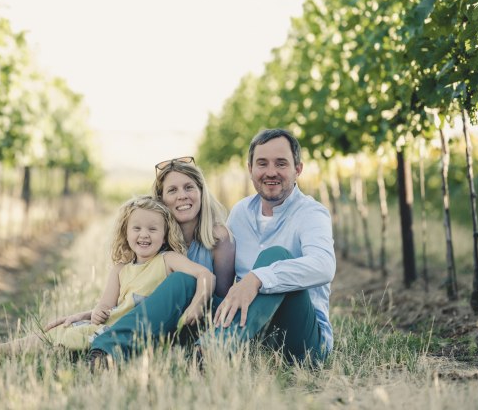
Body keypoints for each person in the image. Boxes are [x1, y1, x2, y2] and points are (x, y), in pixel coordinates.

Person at [89, 129, 335, 365]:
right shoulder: (241, 212)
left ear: (298, 169)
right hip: (251, 333)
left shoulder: (312, 213)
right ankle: (105, 349)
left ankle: (215, 349)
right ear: (250, 169)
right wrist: (101, 312)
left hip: (301, 338)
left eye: (281, 163)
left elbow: (324, 266)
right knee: (184, 280)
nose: (271, 172)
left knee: (275, 256)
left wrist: (257, 279)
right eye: (262, 163)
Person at [0, 195, 215, 353]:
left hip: (141, 331)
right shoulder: (120, 270)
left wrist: (197, 303)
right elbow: (106, 306)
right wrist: (99, 311)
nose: (144, 234)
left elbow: (205, 275)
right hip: (112, 325)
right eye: (137, 228)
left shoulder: (168, 260)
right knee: (59, 333)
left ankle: (69, 349)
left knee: (69, 339)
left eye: (153, 229)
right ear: (126, 233)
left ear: (164, 235)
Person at [152, 157, 235, 298]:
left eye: (189, 187)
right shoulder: (151, 238)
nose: (182, 196)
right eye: (172, 190)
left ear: (201, 192)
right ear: (161, 200)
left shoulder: (219, 237)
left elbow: (222, 299)